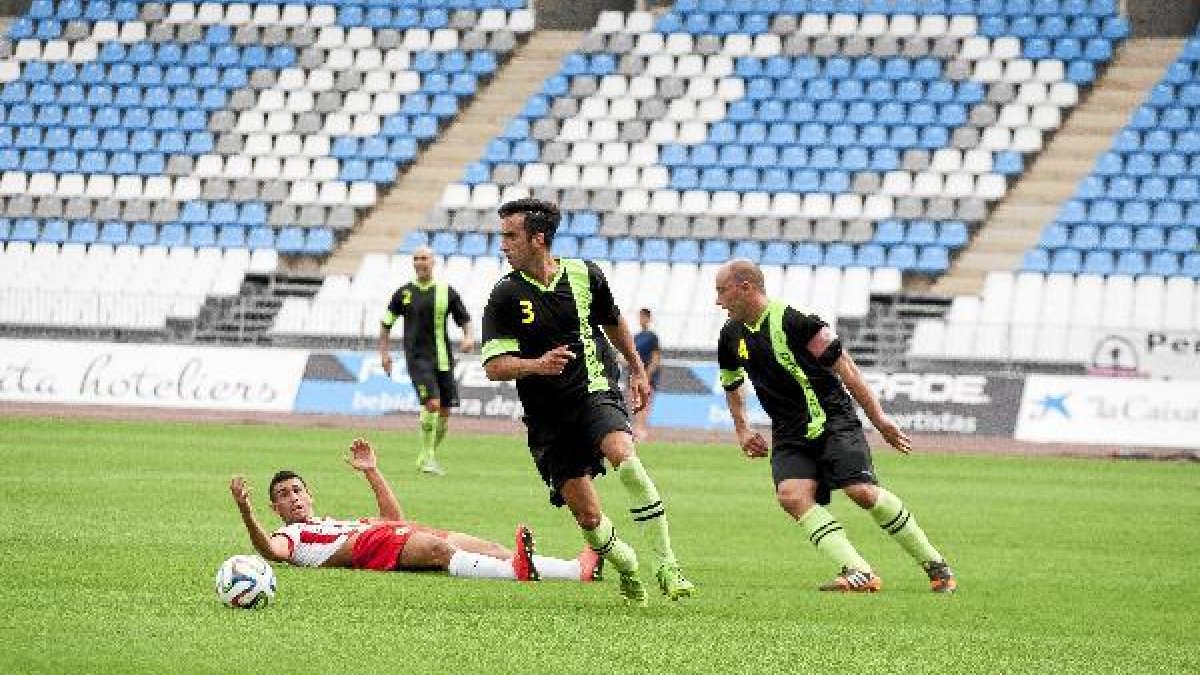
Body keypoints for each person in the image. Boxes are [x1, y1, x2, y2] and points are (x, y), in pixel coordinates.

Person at [480, 198, 695, 605]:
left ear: (538, 239)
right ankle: (628, 566)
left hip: (593, 391)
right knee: (589, 517)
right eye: (502, 236)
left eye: (511, 236)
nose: (503, 245)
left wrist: (637, 368)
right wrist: (537, 365)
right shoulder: (504, 295)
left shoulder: (585, 275)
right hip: (547, 418)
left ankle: (667, 563)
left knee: (625, 458)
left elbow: (614, 323)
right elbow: (494, 366)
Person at [713, 259, 956, 593]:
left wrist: (879, 420)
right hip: (788, 431)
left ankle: (934, 563)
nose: (718, 301)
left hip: (833, 420)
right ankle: (858, 571)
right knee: (791, 495)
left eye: (722, 291)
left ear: (746, 288)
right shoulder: (730, 335)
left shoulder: (798, 322)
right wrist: (742, 428)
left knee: (862, 492)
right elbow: (731, 381)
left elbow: (847, 369)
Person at [229, 437, 602, 583]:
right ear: (275, 508)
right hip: (370, 549)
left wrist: (372, 472)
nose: (293, 497)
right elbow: (270, 553)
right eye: (283, 495)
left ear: (310, 495)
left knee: (488, 547)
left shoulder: (331, 521)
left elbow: (393, 519)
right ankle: (517, 572)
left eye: (297, 490)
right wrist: (247, 513)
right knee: (442, 552)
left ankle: (575, 570)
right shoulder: (288, 535)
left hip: (391, 533)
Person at [379, 246, 474, 476]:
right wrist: (384, 354)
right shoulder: (404, 293)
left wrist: (469, 337)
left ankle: (427, 454)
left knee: (444, 412)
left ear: (433, 262)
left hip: (443, 359)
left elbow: (464, 318)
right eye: (416, 259)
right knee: (431, 403)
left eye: (424, 258)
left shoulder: (446, 291)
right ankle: (428, 457)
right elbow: (386, 324)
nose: (420, 262)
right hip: (417, 359)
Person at [632, 308, 661, 442]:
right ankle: (636, 430)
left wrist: (647, 375)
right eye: (640, 317)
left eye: (644, 317)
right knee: (635, 403)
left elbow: (655, 359)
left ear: (648, 319)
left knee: (645, 403)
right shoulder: (635, 337)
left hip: (647, 377)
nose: (641, 320)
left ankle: (641, 430)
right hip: (635, 377)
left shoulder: (652, 337)